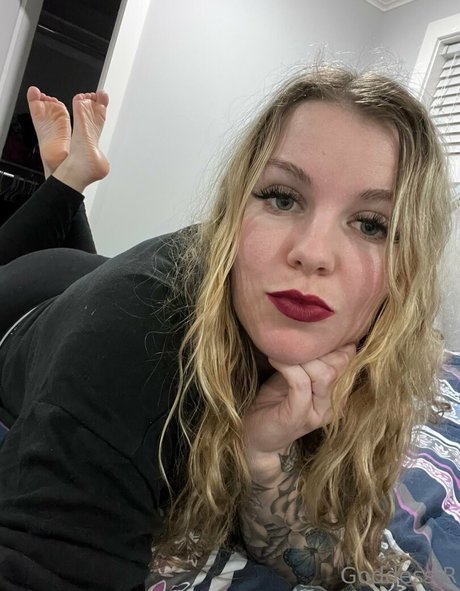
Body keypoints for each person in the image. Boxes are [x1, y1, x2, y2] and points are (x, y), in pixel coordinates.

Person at [0, 64, 453, 591]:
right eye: (282, 197)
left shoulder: (381, 348)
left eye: (372, 224)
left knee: (101, 277)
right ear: (234, 208)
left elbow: (327, 561)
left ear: (409, 265)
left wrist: (263, 457)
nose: (312, 252)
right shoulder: (129, 345)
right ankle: (67, 178)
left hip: (97, 283)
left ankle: (66, 175)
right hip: (26, 302)